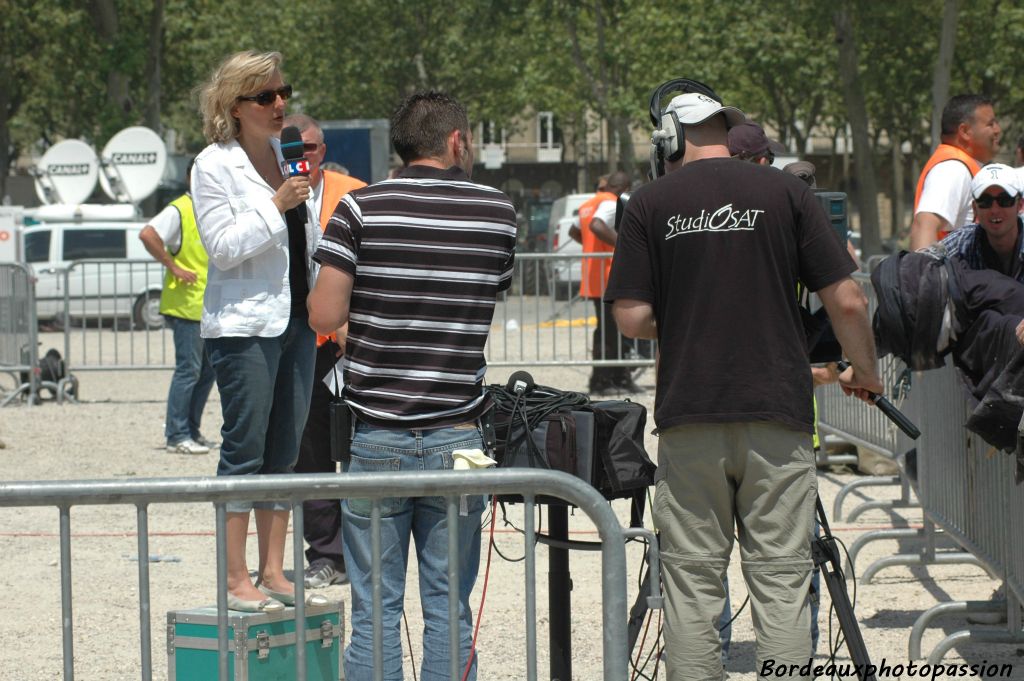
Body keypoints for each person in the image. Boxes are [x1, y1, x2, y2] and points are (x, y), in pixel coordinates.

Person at [605, 90, 882, 680]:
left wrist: (690, 314)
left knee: (691, 586)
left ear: (669, 139)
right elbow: (849, 299)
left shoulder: (650, 203)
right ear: (728, 131)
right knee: (782, 582)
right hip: (777, 417)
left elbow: (630, 317)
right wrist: (866, 370)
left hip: (690, 418)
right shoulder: (786, 192)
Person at [307, 91, 516, 681]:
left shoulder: (360, 209)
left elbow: (324, 317)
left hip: (376, 432)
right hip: (459, 432)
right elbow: (483, 294)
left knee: (374, 608)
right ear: (456, 141)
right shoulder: (496, 211)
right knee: (449, 606)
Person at [191, 50, 321, 613]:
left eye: (282, 92)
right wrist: (276, 204)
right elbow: (222, 248)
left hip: (296, 320)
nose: (280, 104)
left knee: (285, 452)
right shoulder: (212, 165)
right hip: (245, 327)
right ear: (234, 105)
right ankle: (235, 578)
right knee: (243, 449)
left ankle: (274, 570)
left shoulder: (284, 153)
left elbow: (304, 242)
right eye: (266, 96)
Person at [282, 112, 366, 590]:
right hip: (299, 342)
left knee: (360, 446)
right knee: (309, 452)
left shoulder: (354, 191)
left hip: (351, 340)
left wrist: (347, 324)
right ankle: (326, 554)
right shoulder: (272, 194)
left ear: (323, 149)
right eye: (294, 150)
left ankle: (365, 548)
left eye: (310, 149)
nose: (303, 159)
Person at [138, 160, 218, 455]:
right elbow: (148, 234)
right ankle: (176, 434)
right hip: (187, 305)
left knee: (207, 372)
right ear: (190, 178)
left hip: (208, 307)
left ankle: (192, 431)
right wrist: (173, 266)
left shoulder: (211, 208)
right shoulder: (180, 208)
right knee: (189, 370)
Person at [909, 94, 1001, 251]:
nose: (998, 130)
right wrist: (926, 274)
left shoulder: (961, 167)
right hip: (952, 275)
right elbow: (924, 226)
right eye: (990, 124)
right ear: (965, 131)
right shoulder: (952, 169)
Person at [578, 170, 638, 395]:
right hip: (607, 276)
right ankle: (604, 381)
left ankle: (617, 377)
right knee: (609, 332)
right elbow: (597, 226)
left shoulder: (588, 203)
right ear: (624, 188)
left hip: (595, 277)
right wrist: (625, 244)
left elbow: (578, 230)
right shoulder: (611, 203)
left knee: (609, 330)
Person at [926, 163, 1022, 280]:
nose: (995, 210)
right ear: (975, 208)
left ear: (1020, 205)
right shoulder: (962, 242)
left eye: (1004, 200)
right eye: (985, 201)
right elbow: (921, 267)